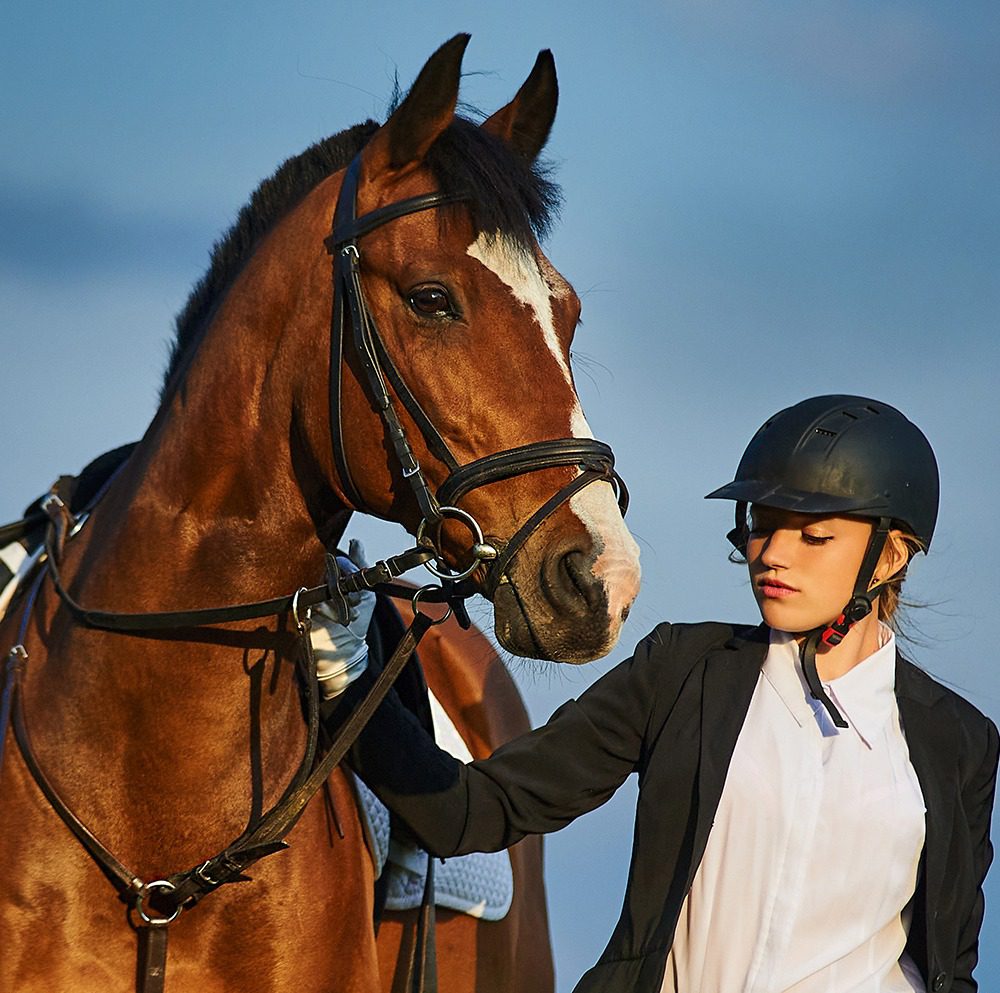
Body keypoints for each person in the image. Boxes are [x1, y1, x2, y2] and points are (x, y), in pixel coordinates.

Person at [319, 394, 998, 993]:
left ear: (890, 556)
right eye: (762, 526)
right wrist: (346, 678)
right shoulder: (680, 671)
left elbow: (950, 963)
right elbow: (472, 811)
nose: (772, 555)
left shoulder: (961, 742)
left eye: (814, 536)